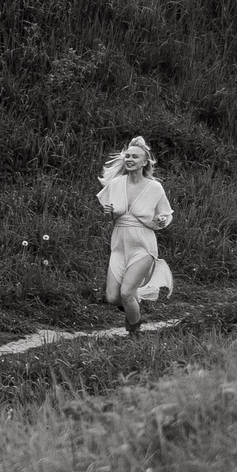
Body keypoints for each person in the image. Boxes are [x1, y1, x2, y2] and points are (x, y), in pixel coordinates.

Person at [99, 135, 173, 332]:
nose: (130, 159)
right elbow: (112, 216)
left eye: (135, 157)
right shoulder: (116, 184)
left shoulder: (154, 187)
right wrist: (109, 214)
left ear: (144, 162)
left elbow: (165, 214)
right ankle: (132, 305)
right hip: (119, 245)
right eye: (128, 156)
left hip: (143, 246)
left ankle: (134, 335)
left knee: (125, 292)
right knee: (113, 297)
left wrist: (162, 220)